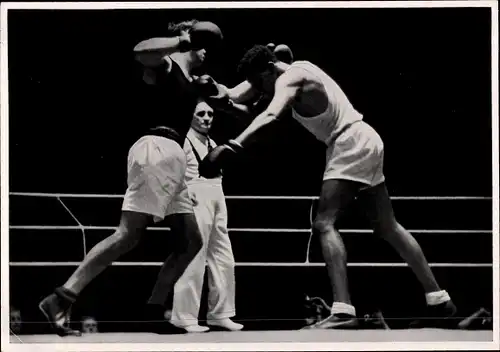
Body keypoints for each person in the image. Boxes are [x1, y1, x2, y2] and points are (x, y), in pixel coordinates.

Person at [199, 45, 458, 329]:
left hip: (349, 143)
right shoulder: (281, 72)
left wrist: (234, 145)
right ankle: (439, 299)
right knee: (387, 225)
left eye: (261, 82)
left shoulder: (290, 78)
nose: (261, 90)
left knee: (324, 222)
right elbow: (235, 96)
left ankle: (344, 311)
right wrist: (211, 89)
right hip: (363, 137)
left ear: (271, 69)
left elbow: (270, 116)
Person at [38, 19, 224, 336]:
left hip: (173, 158)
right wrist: (182, 42)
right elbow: (140, 51)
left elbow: (233, 94)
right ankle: (61, 297)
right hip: (157, 150)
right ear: (190, 39)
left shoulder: (192, 80)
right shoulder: (168, 63)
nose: (207, 51)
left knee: (190, 240)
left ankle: (153, 308)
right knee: (128, 234)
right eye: (203, 44)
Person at [155, 99, 243, 333]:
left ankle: (220, 314)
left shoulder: (212, 142)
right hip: (196, 194)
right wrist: (182, 194)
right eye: (201, 113)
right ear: (191, 116)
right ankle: (184, 316)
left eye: (210, 114)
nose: (206, 118)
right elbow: (169, 170)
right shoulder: (184, 141)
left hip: (217, 194)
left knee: (223, 256)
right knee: (194, 256)